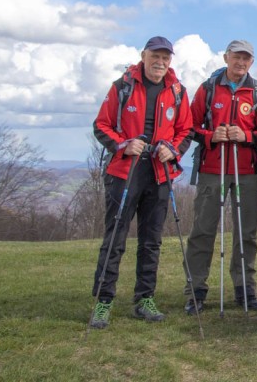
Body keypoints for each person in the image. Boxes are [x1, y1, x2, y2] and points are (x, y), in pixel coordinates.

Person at [89, 36, 194, 329]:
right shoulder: (122, 86)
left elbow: (187, 130)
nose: (160, 62)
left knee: (151, 242)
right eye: (155, 56)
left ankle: (144, 299)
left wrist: (172, 149)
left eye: (165, 58)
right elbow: (101, 125)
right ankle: (103, 301)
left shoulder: (177, 91)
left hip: (160, 173)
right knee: (115, 238)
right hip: (125, 170)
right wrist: (123, 145)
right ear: (143, 56)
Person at [183, 39, 257, 312]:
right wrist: (213, 135)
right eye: (236, 57)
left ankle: (245, 288)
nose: (241, 62)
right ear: (226, 58)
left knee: (247, 232)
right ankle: (196, 291)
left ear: (252, 62)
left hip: (246, 171)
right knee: (202, 230)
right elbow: (189, 127)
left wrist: (245, 136)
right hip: (212, 169)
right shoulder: (208, 88)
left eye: (246, 58)